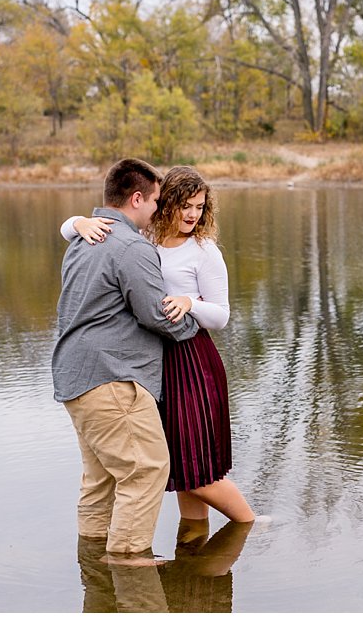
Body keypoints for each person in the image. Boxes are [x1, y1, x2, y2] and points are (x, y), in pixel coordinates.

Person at [61, 165, 257, 527]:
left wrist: (190, 303)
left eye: (199, 207)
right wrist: (77, 223)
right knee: (181, 468)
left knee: (197, 471)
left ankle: (251, 526)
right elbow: (72, 230)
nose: (192, 214)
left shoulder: (203, 251)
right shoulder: (142, 239)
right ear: (163, 204)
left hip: (192, 359)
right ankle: (193, 549)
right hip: (154, 361)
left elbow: (221, 316)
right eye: (185, 205)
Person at [52, 158, 200, 562]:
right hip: (111, 379)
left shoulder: (83, 238)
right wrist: (195, 331)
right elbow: (155, 313)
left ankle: (96, 574)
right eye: (155, 201)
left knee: (99, 480)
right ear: (136, 198)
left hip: (74, 379)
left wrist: (75, 222)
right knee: (147, 469)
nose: (158, 210)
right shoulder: (131, 246)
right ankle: (128, 566)